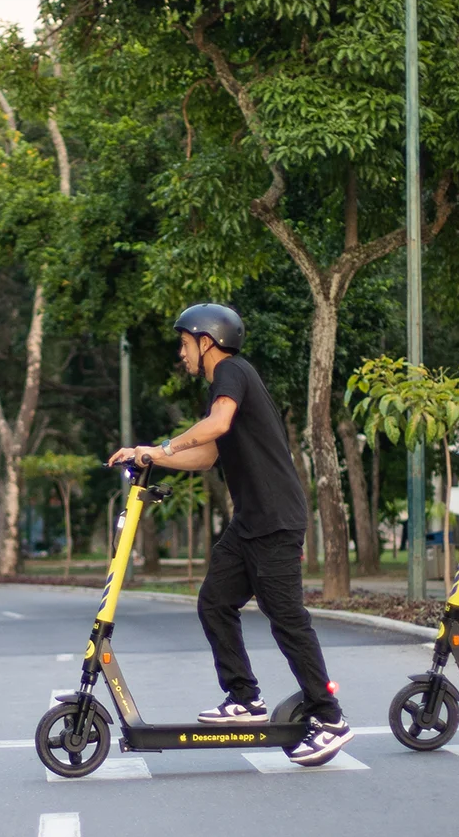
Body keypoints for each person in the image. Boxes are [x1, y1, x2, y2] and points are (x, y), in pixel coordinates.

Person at [109, 303, 351, 766]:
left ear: (207, 342)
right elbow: (206, 455)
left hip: (276, 520)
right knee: (215, 603)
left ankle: (330, 716)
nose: (181, 354)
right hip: (250, 523)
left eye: (184, 344)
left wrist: (160, 447)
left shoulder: (231, 373)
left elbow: (215, 426)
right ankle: (245, 698)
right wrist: (150, 458)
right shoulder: (225, 387)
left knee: (286, 619)